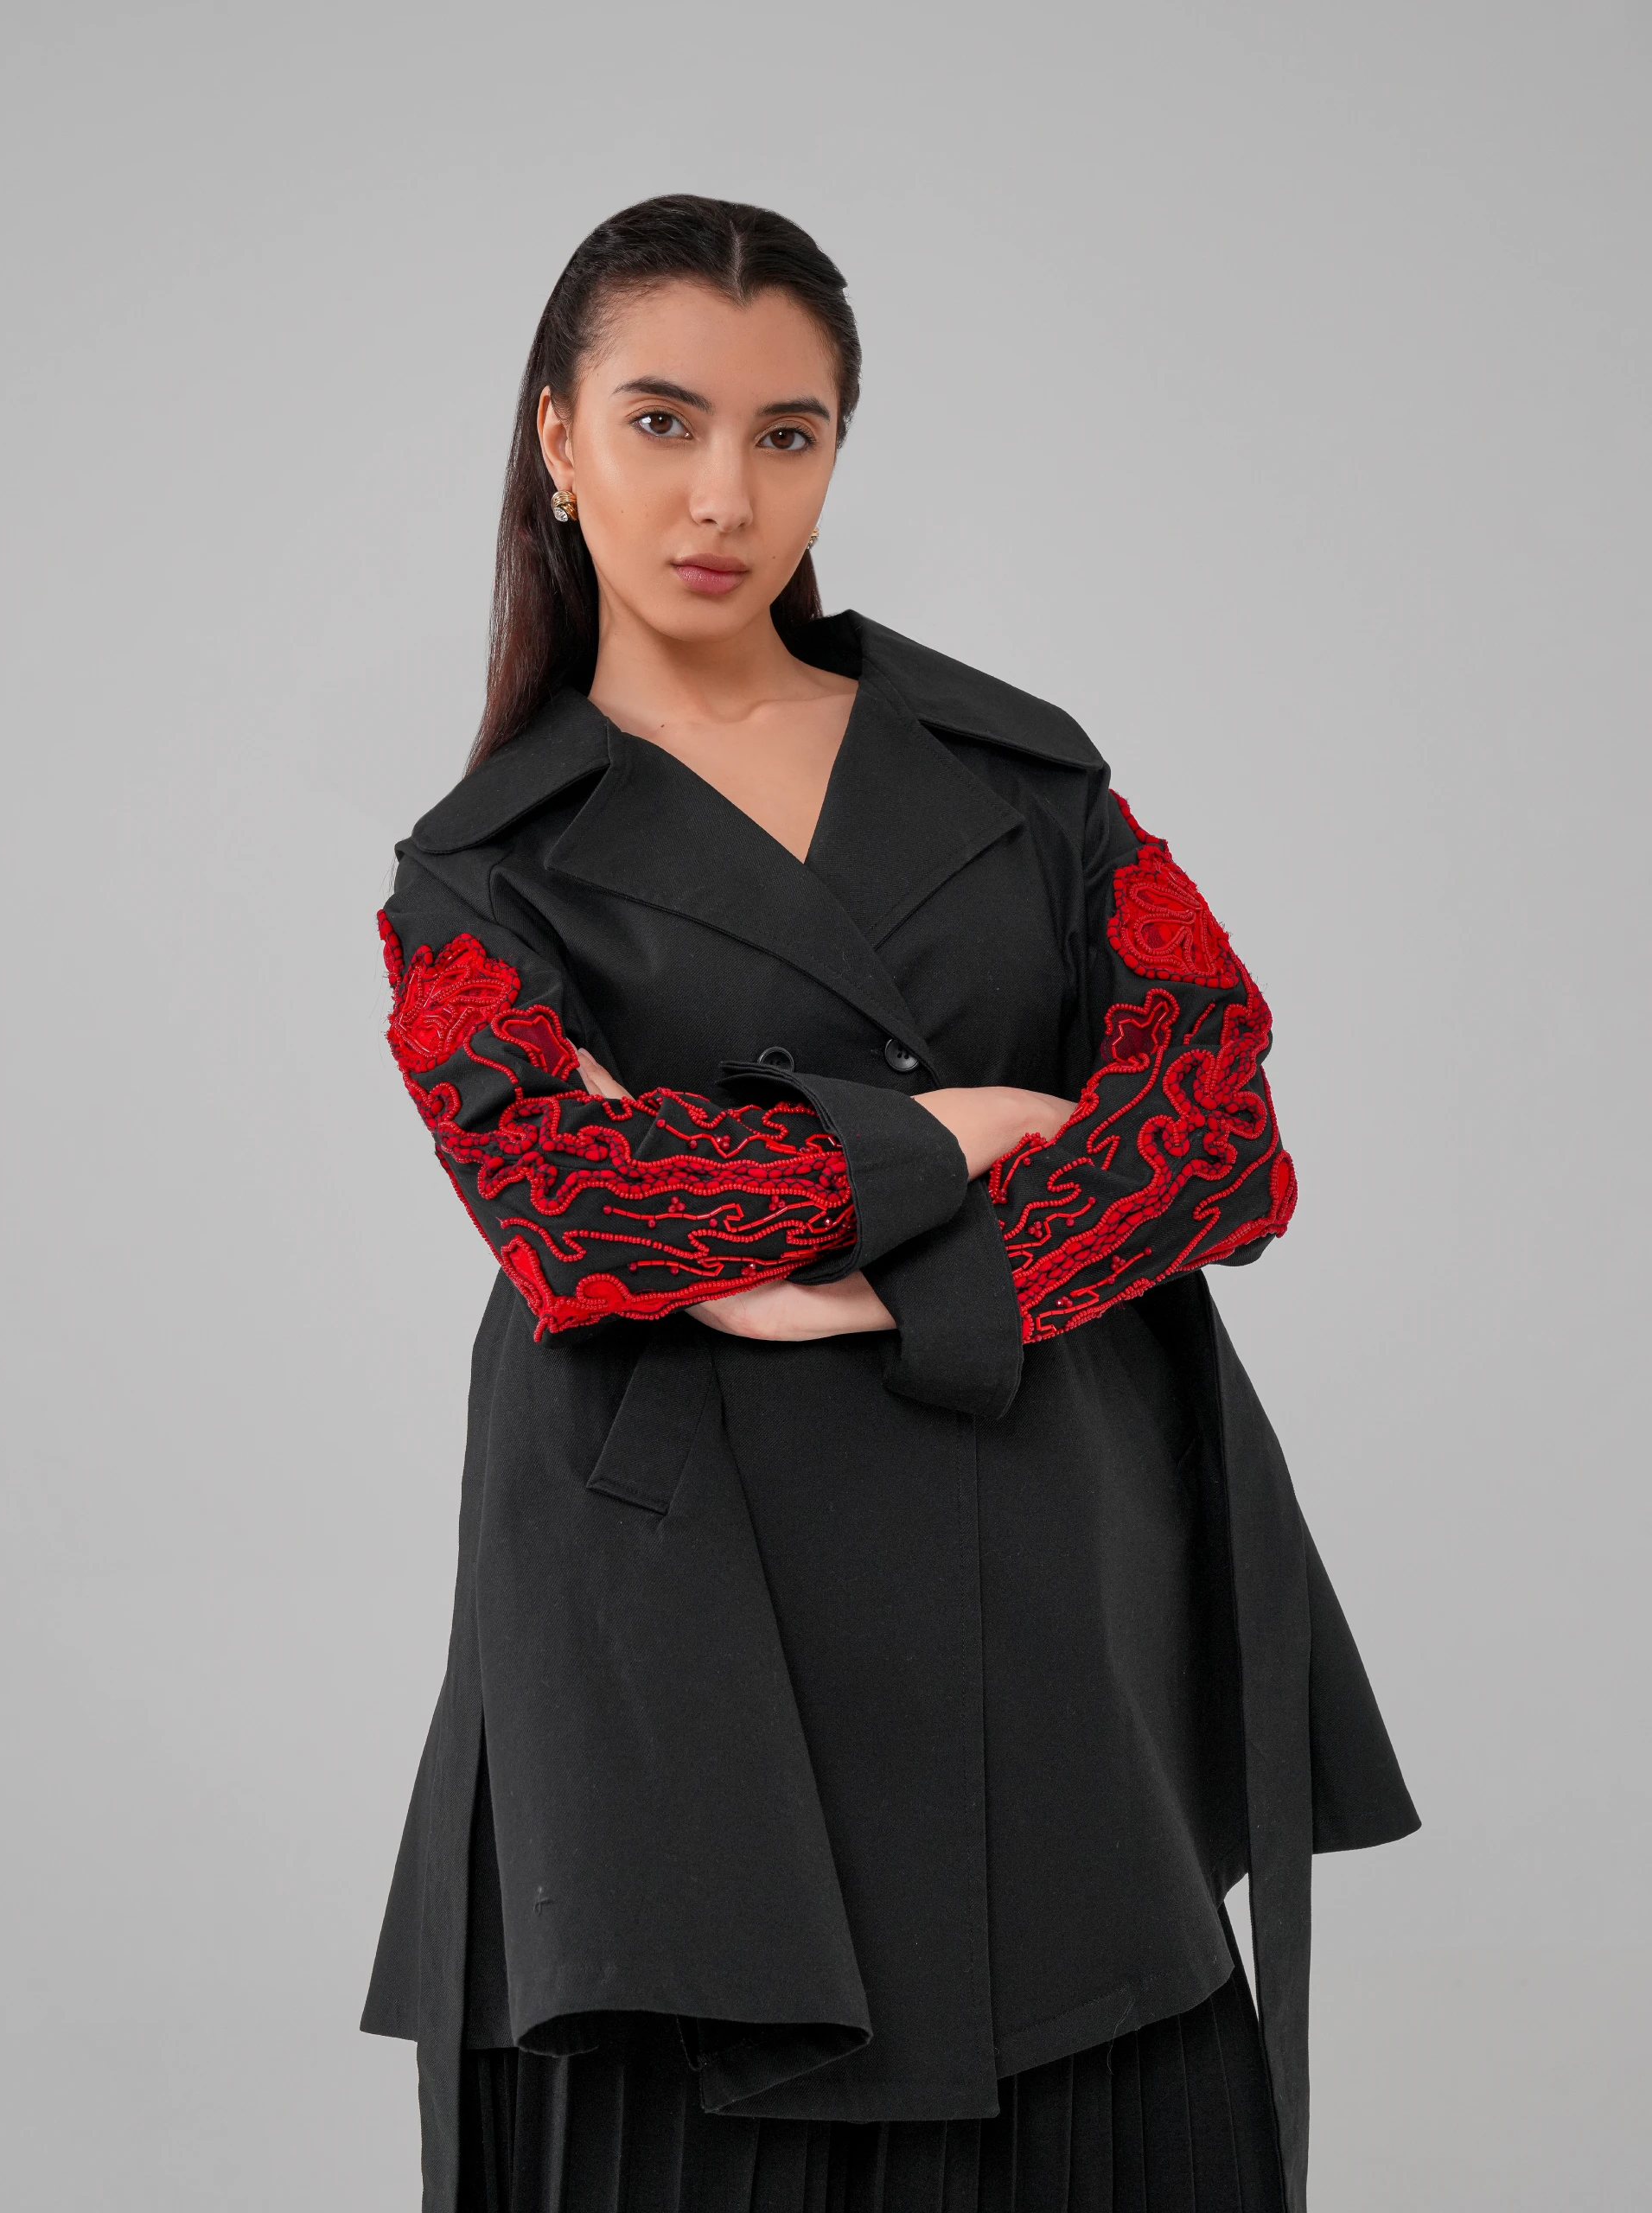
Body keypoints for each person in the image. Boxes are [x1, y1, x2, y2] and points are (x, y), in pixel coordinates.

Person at [360, 194, 1418, 2213]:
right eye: (662, 421)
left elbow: (1215, 1122)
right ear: (557, 436)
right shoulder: (481, 870)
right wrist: (958, 1135)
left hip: (1044, 1559)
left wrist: (835, 1280)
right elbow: (571, 1201)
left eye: (789, 433)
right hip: (674, 1619)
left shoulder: (1017, 774)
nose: (723, 493)